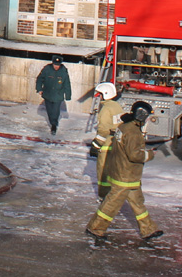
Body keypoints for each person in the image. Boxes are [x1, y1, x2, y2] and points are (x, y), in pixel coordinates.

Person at [86, 100, 164, 244]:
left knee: (138, 203)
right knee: (112, 204)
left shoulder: (124, 127)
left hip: (125, 174)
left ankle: (149, 229)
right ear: (142, 116)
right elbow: (134, 155)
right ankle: (95, 228)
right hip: (125, 177)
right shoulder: (134, 133)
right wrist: (149, 154)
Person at [91, 82, 125, 199]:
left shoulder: (106, 109)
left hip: (107, 143)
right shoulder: (117, 106)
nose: (99, 97)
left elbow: (104, 129)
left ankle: (103, 196)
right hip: (116, 142)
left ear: (105, 94)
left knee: (103, 171)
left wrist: (96, 144)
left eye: (100, 95)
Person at [35, 56, 71, 136]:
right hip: (48, 94)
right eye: (55, 64)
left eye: (58, 65)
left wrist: (68, 95)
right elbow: (40, 79)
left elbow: (67, 83)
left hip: (58, 95)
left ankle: (54, 125)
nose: (56, 67)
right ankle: (52, 122)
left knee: (55, 110)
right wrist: (39, 89)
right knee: (49, 111)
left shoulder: (63, 71)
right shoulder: (47, 69)